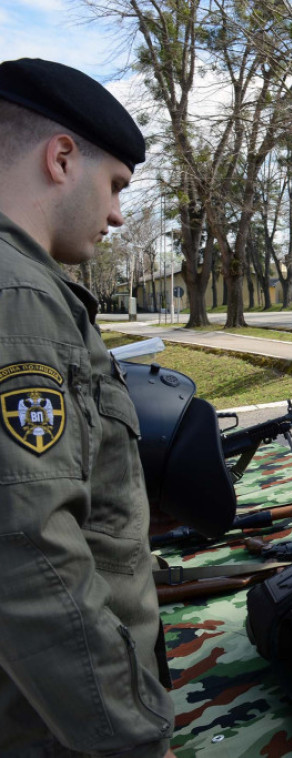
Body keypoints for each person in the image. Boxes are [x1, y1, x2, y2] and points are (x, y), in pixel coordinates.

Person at [0, 58, 176, 756]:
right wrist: (131, 736)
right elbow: (29, 553)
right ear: (62, 157)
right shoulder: (20, 296)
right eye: (116, 185)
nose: (117, 214)